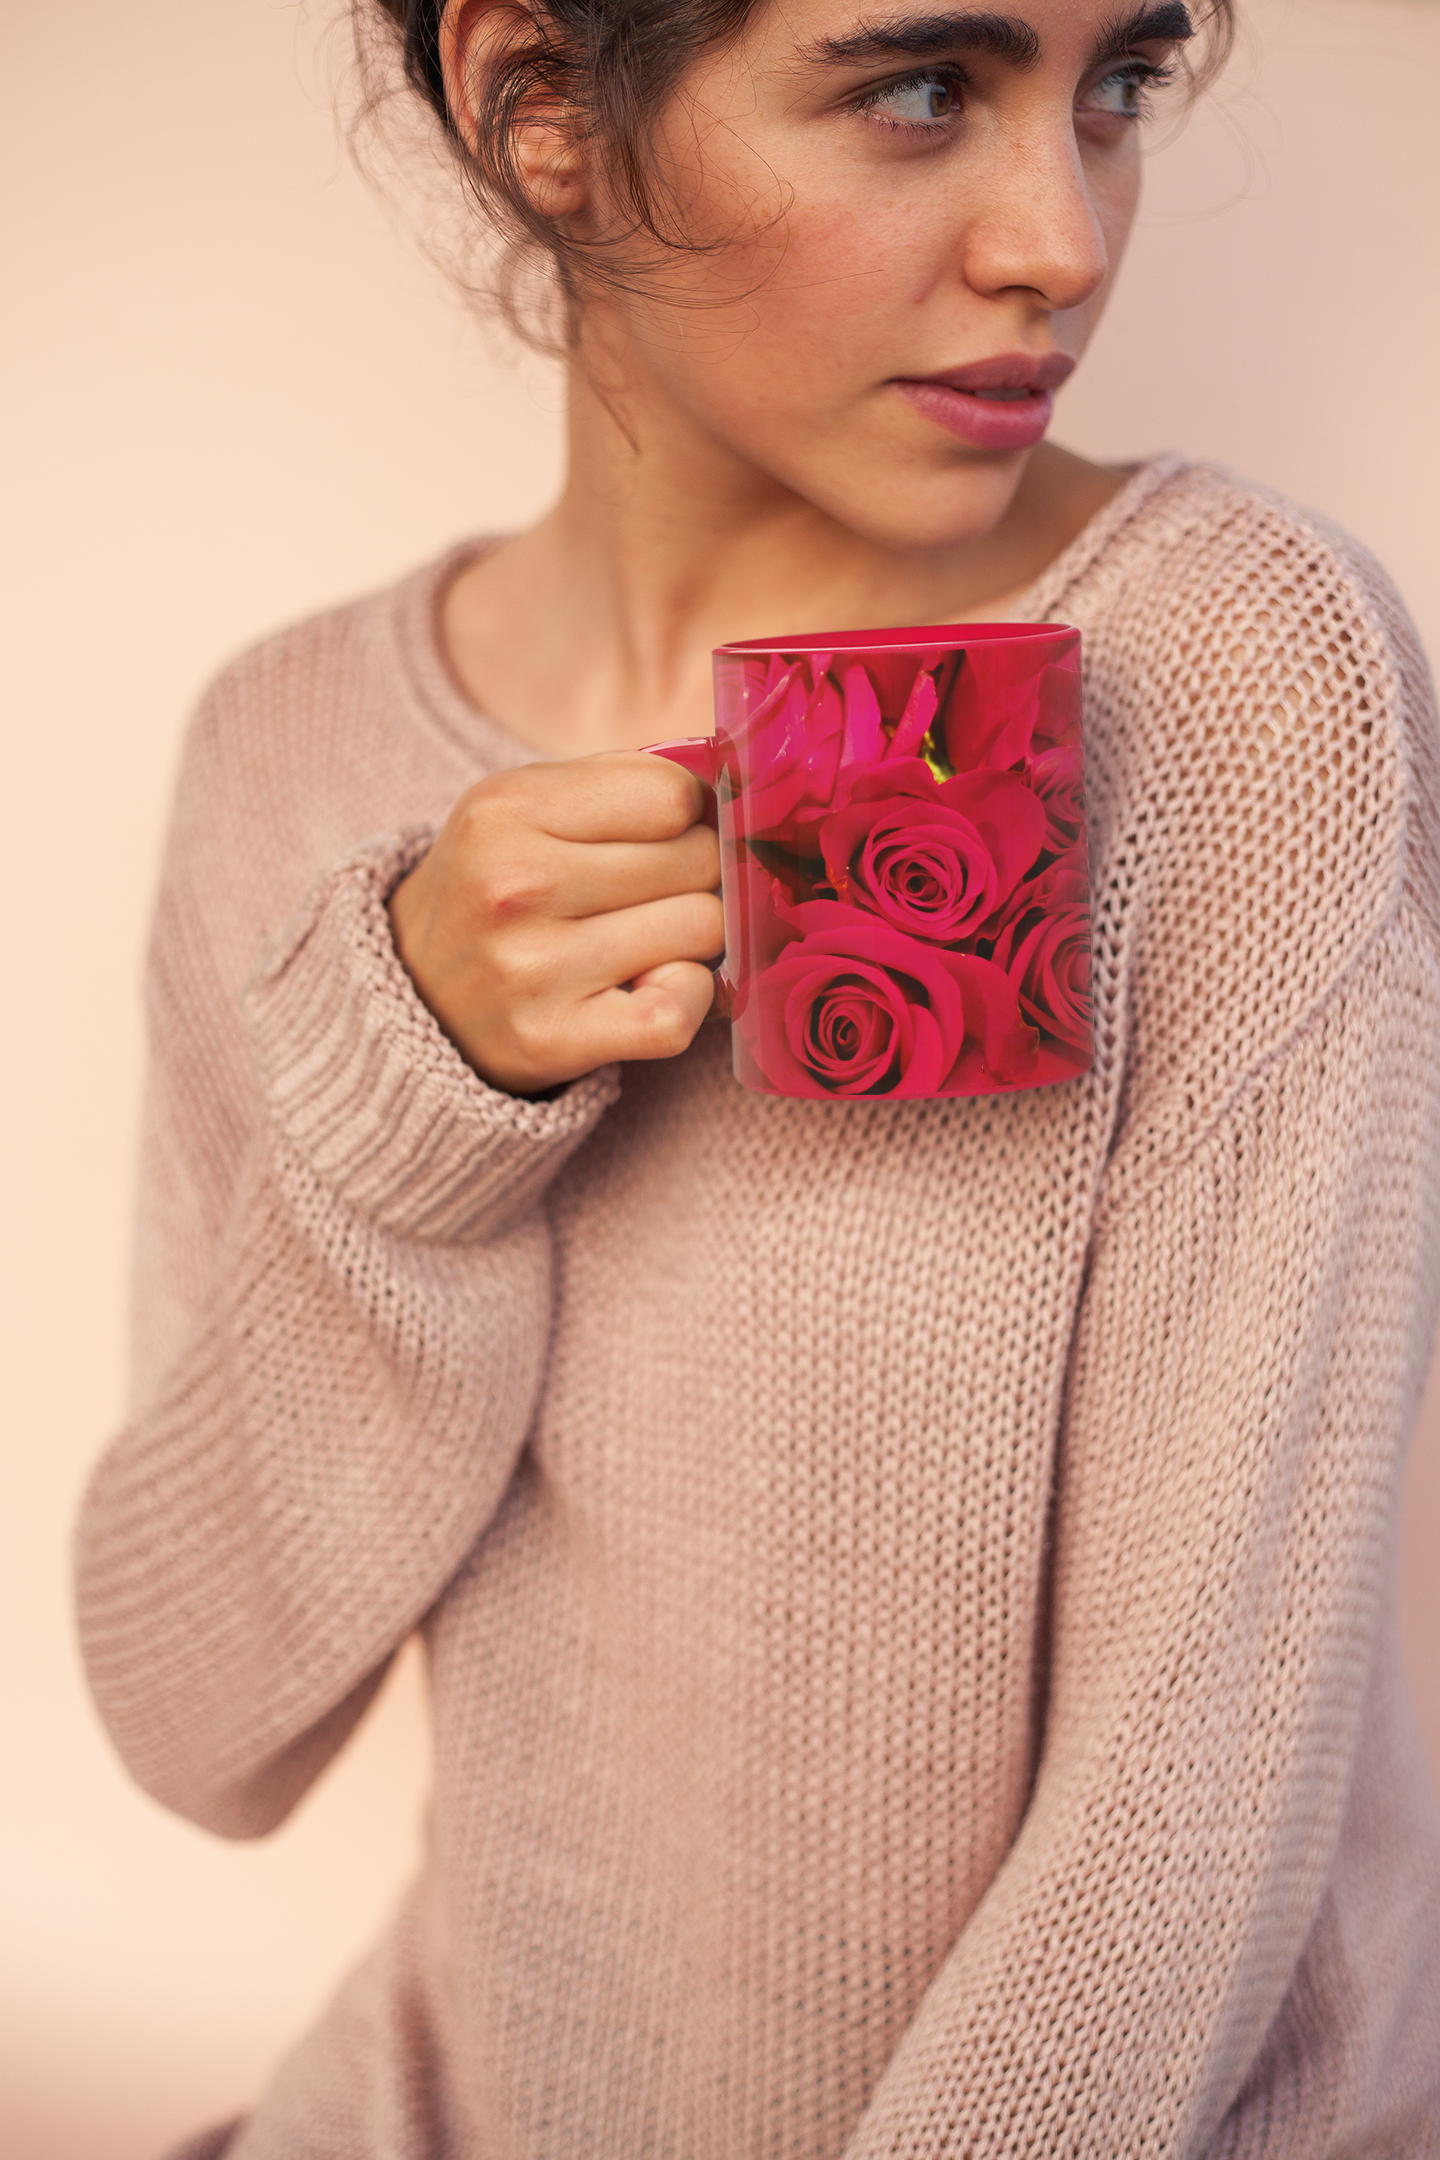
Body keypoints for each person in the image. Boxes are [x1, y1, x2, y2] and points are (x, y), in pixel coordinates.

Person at [75, 0, 1440, 2153]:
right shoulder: (290, 750)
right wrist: (407, 1110)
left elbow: (1203, 1775)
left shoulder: (1241, 672)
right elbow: (193, 1724)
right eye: (920, 89)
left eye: (1121, 85)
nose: (1062, 240)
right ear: (534, 101)